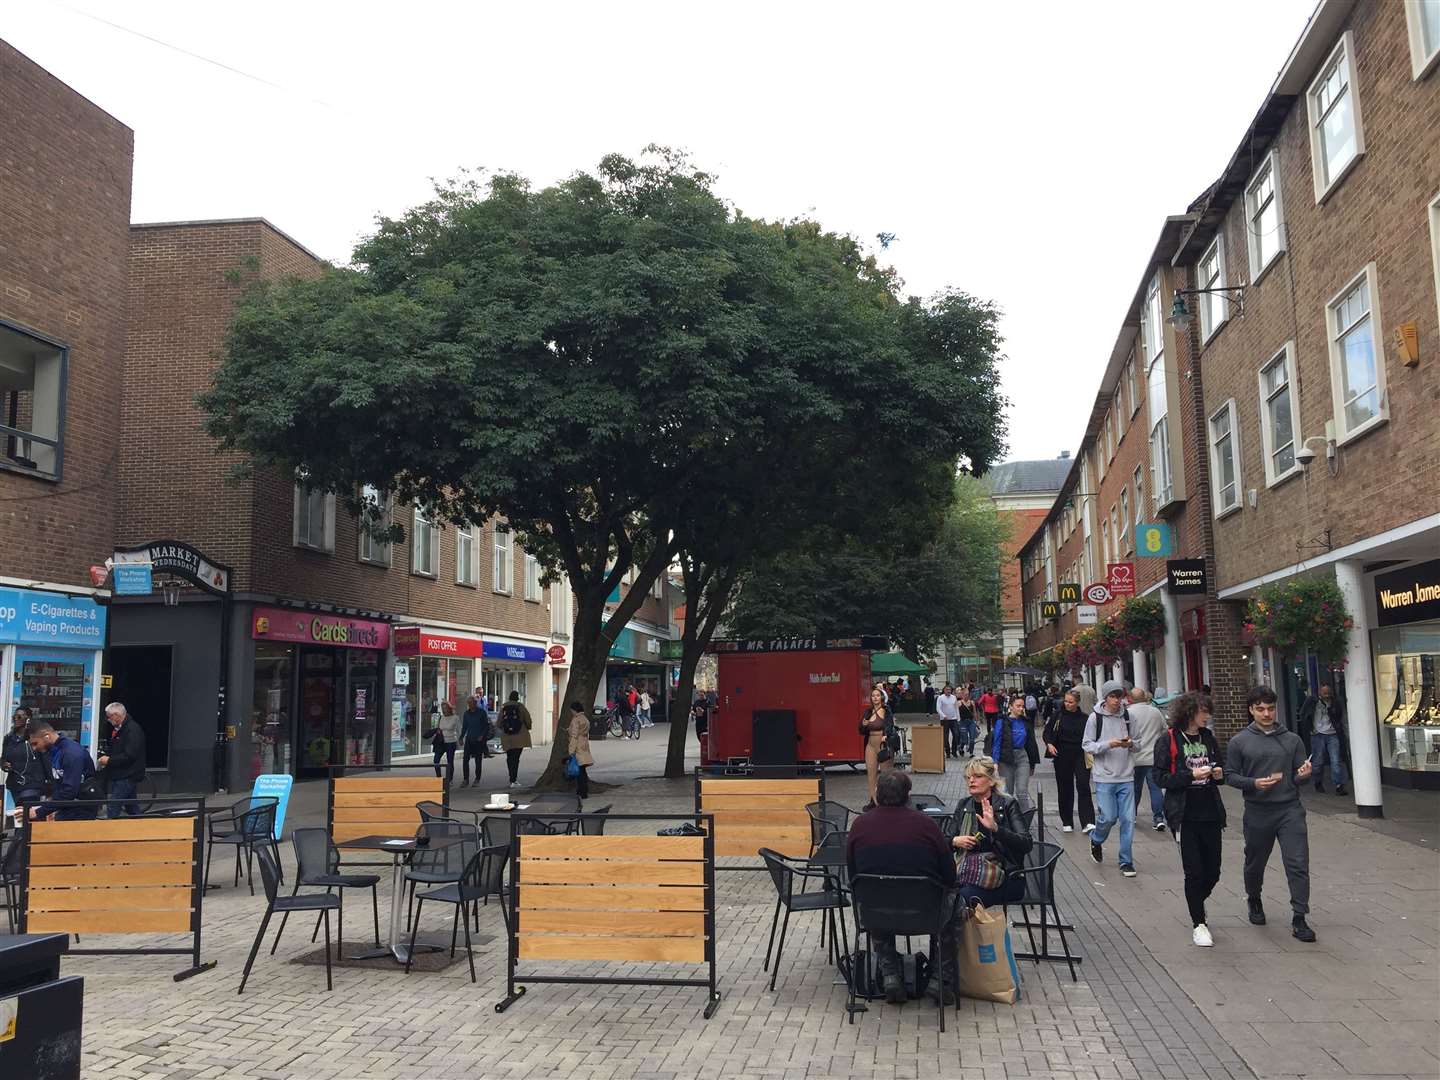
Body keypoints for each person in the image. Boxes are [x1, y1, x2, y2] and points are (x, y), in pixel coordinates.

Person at [846, 769, 957, 1005]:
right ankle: (940, 979)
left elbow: (853, 873)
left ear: (877, 795)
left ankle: (890, 976)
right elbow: (949, 876)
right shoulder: (927, 826)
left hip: (876, 915)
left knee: (876, 895)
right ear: (909, 796)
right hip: (927, 914)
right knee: (956, 906)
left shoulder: (859, 826)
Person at [1226, 685, 1316, 942]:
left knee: (1297, 863)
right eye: (1260, 709)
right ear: (1251, 710)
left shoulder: (1292, 740)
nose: (1267, 713)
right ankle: (1254, 898)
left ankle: (1300, 916)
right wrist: (1254, 783)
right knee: (1255, 863)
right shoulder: (1239, 742)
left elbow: (1300, 777)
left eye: (1270, 708)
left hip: (1290, 809)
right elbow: (1230, 776)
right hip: (1257, 811)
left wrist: (1303, 775)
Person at [1153, 692, 1226, 947]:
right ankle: (1199, 923)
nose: (1208, 716)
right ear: (1190, 712)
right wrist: (1189, 776)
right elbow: (1160, 778)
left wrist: (1218, 773)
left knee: (1213, 870)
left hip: (1211, 811)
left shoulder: (1208, 737)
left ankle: (1197, 901)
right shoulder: (1169, 739)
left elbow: (1221, 769)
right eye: (1204, 712)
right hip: (1184, 814)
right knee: (1193, 871)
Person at [946, 757, 1031, 909]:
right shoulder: (964, 804)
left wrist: (996, 829)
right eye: (968, 777)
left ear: (991, 781)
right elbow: (944, 840)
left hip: (1006, 876)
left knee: (961, 899)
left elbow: (1026, 843)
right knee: (942, 897)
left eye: (978, 776)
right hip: (967, 874)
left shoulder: (1008, 804)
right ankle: (959, 933)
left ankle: (971, 933)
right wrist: (955, 841)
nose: (971, 780)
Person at [1082, 680, 1138, 877]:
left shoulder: (1129, 716)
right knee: (1108, 817)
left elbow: (1139, 743)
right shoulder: (1095, 718)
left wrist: (1130, 744)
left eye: (1119, 696)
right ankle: (1096, 839)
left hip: (1127, 775)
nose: (1116, 701)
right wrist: (1108, 744)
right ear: (1105, 698)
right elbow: (1087, 745)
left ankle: (1126, 861)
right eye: (1112, 697)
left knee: (1128, 820)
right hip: (1104, 777)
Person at [1043, 690, 1094, 833]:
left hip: (1080, 754)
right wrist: (1049, 744)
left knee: (1083, 785)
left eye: (1070, 702)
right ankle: (1067, 820)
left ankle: (1088, 821)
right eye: (1065, 701)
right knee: (1065, 788)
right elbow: (1047, 732)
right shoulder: (1057, 715)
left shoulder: (1085, 718)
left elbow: (1091, 736)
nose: (1067, 704)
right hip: (1062, 754)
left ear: (1077, 702)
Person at [26, 721, 99, 821]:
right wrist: (51, 806)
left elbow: (69, 790)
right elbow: (60, 782)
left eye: (35, 743)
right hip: (69, 805)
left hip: (80, 807)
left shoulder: (71, 753)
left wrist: (41, 811)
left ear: (47, 736)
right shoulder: (54, 751)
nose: (34, 748)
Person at [985, 696, 1039, 815]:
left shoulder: (1025, 721)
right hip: (1006, 757)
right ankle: (1007, 817)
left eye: (1022, 706)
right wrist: (995, 762)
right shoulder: (1002, 722)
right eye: (1018, 706)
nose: (1021, 709)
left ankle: (1025, 819)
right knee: (1007, 791)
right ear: (1010, 707)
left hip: (1022, 756)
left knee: (1022, 790)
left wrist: (1033, 763)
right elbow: (997, 742)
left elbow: (1031, 742)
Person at [1127, 688, 1168, 832]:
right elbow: (1165, 730)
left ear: (1130, 698)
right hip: (1153, 757)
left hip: (1134, 757)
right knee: (1156, 789)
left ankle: (1131, 816)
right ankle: (1158, 818)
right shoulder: (1155, 712)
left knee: (1134, 789)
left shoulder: (1128, 713)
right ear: (1145, 697)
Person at [1298, 685, 1349, 795]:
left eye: (1328, 692)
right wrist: (1309, 728)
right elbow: (1303, 713)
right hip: (1317, 735)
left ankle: (1339, 785)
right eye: (1324, 693)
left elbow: (1340, 716)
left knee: (1335, 760)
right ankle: (1318, 782)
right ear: (1319, 693)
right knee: (1318, 761)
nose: (1326, 695)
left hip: (1332, 734)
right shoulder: (1313, 702)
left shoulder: (1335, 703)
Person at [98, 702, 146, 818]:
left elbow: (130, 755)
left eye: (109, 717)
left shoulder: (132, 730)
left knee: (113, 805)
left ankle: (110, 831)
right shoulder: (122, 729)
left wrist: (109, 760)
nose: (108, 720)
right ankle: (142, 828)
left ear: (116, 715)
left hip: (127, 775)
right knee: (131, 806)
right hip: (123, 773)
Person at [3, 708, 47, 823]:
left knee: (28, 810)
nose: (16, 719)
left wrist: (50, 783)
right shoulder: (9, 738)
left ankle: (26, 837)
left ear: (28, 719)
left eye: (20, 717)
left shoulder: (35, 736)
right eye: (15, 717)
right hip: (15, 782)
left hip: (32, 781)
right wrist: (4, 764)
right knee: (20, 813)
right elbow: (3, 758)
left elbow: (45, 760)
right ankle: (21, 836)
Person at [859, 686, 894, 808]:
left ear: (882, 697)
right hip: (870, 743)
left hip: (882, 742)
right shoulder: (868, 712)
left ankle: (886, 800)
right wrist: (863, 725)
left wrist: (886, 734)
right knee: (871, 773)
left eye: (877, 695)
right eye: (873, 696)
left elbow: (890, 724)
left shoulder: (886, 709)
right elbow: (861, 730)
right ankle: (873, 800)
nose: (875, 698)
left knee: (885, 774)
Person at [498, 691, 533, 788]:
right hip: (519, 737)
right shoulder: (521, 707)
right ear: (517, 698)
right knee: (516, 758)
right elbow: (528, 720)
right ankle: (514, 780)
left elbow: (498, 723)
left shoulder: (503, 707)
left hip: (507, 737)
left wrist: (505, 728)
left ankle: (511, 779)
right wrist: (527, 727)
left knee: (510, 758)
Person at [566, 701, 593, 801]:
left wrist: (571, 750)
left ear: (574, 710)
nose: (571, 712)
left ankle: (582, 791)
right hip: (584, 744)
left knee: (579, 771)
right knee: (582, 770)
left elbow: (574, 735)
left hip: (577, 746)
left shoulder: (576, 720)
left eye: (572, 710)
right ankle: (583, 790)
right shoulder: (585, 719)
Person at [460, 696, 489, 788]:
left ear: (475, 703)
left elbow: (486, 726)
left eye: (471, 703)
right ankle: (466, 779)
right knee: (465, 760)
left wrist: (482, 736)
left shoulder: (481, 712)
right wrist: (461, 737)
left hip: (478, 740)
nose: (469, 705)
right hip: (469, 739)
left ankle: (477, 779)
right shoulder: (466, 714)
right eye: (468, 703)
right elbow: (465, 727)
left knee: (478, 760)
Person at [431, 702, 460, 787]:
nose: (444, 711)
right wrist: (438, 731)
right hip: (441, 741)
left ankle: (449, 779)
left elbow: (459, 729)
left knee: (449, 761)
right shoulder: (442, 717)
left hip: (451, 741)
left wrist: (461, 739)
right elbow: (439, 727)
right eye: (442, 709)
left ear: (449, 708)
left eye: (445, 708)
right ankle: (439, 778)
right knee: (436, 760)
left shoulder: (455, 718)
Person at [935, 684, 961, 758]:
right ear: (944, 690)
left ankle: (954, 751)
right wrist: (943, 716)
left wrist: (958, 718)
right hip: (945, 720)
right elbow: (938, 708)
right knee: (945, 737)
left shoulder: (954, 697)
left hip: (953, 719)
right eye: (947, 690)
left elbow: (956, 708)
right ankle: (947, 751)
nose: (948, 691)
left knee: (956, 735)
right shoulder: (940, 698)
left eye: (949, 690)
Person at [956, 689, 977, 757]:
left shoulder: (972, 702)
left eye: (968, 694)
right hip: (962, 722)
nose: (967, 696)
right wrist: (957, 721)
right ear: (962, 695)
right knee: (964, 739)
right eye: (965, 694)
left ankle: (971, 752)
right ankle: (961, 748)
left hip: (971, 722)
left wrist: (976, 720)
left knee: (972, 739)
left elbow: (974, 712)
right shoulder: (959, 703)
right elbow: (956, 712)